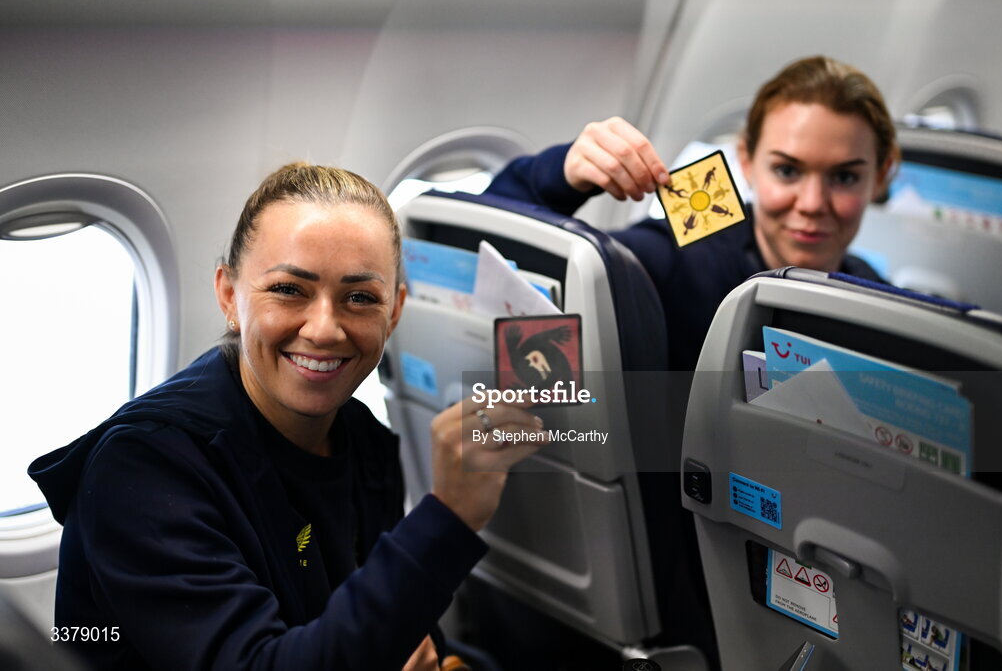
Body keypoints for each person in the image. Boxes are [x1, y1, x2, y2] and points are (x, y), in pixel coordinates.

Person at [29, 163, 546, 670]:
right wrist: (449, 515)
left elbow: (397, 622)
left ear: (394, 313)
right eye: (288, 289)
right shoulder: (142, 470)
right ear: (230, 296)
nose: (324, 329)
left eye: (360, 298)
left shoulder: (362, 439)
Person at [486, 55, 898, 371]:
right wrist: (558, 175)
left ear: (880, 176)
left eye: (844, 178)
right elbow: (485, 246)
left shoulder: (881, 301)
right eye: (786, 171)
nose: (811, 203)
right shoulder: (681, 252)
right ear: (747, 162)